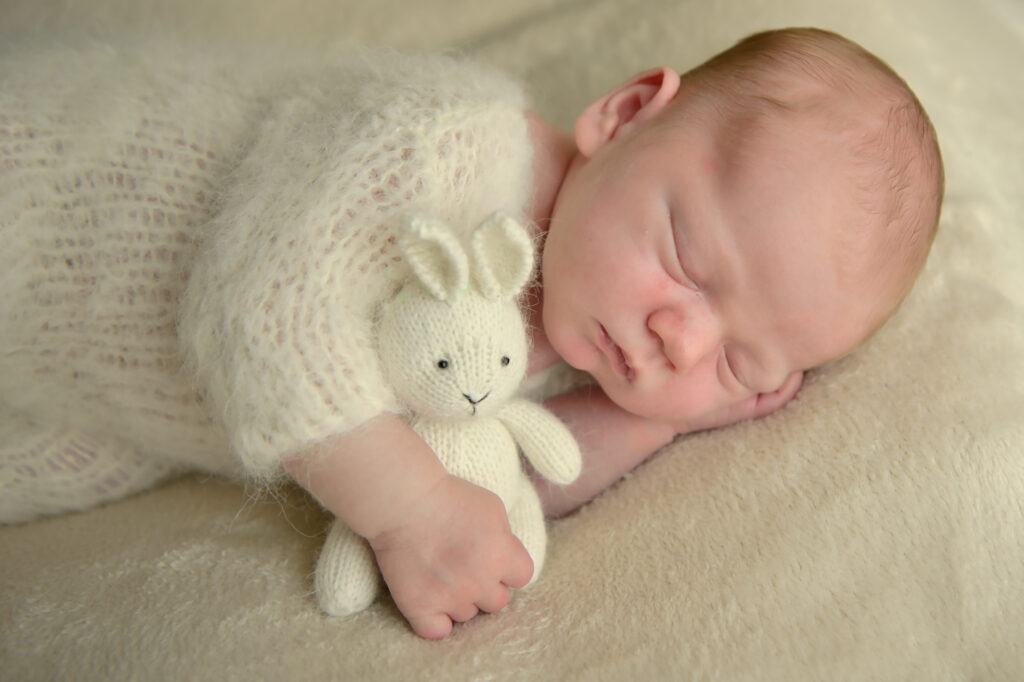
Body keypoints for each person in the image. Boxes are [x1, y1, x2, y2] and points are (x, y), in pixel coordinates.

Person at [0, 28, 942, 640]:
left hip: (90, 406)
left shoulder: (572, 345)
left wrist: (665, 424)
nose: (680, 341)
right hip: (47, 182)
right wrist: (408, 511)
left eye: (741, 360)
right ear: (620, 118)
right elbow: (263, 315)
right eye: (689, 258)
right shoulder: (442, 148)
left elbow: (489, 493)